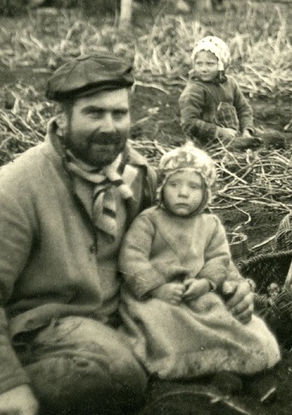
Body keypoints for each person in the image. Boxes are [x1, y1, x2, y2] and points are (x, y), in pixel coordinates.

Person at [0, 53, 257, 415]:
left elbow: (177, 241)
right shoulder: (16, 192)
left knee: (234, 331)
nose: (109, 127)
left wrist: (230, 283)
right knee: (120, 376)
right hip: (38, 328)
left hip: (118, 314)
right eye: (94, 113)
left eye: (119, 114)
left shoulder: (134, 175)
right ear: (63, 117)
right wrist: (4, 386)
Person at [119, 143, 281, 382]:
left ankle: (221, 365)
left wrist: (206, 283)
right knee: (160, 321)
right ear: (162, 188)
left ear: (206, 192)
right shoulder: (149, 221)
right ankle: (181, 367)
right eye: (174, 184)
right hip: (156, 297)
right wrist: (158, 288)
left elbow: (219, 259)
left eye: (193, 186)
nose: (183, 193)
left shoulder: (210, 225)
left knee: (227, 321)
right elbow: (132, 258)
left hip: (197, 295)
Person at [179, 36, 259, 150]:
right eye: (199, 64)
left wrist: (247, 130)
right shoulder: (194, 90)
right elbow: (189, 123)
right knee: (247, 147)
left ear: (221, 64)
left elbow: (243, 109)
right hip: (207, 145)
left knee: (273, 138)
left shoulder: (230, 83)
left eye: (210, 64)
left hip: (233, 137)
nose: (203, 69)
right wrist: (219, 132)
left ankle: (244, 143)